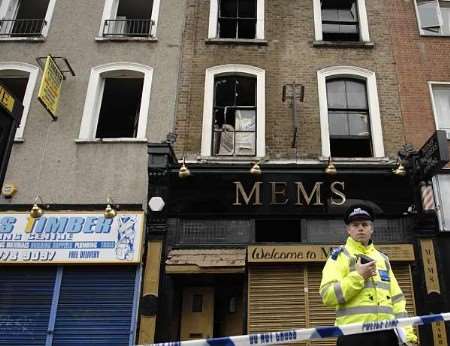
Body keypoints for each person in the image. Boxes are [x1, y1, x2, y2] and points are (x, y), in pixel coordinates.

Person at [320, 203, 418, 346]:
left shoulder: (383, 259)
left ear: (371, 229)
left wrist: (408, 335)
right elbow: (327, 295)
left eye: (365, 224)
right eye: (355, 225)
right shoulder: (339, 257)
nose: (360, 228)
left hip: (388, 335)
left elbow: (397, 300)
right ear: (348, 230)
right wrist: (358, 276)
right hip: (353, 335)